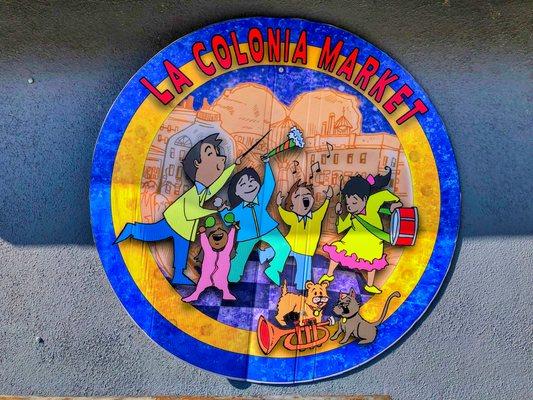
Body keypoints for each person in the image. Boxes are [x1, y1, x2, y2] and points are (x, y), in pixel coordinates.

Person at [114, 133, 240, 285]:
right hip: (174, 222)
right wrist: (214, 211)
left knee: (181, 251)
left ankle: (178, 275)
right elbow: (192, 211)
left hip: (184, 228)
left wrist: (233, 166)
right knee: (151, 234)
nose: (219, 158)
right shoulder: (194, 193)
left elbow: (218, 184)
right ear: (197, 164)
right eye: (210, 153)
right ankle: (132, 229)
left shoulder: (203, 190)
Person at [319, 167, 402, 294]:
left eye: (354, 203)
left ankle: (369, 285)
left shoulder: (373, 202)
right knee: (337, 251)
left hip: (373, 243)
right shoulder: (352, 215)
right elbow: (342, 227)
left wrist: (395, 204)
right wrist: (339, 214)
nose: (351, 207)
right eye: (348, 204)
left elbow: (386, 195)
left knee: (372, 263)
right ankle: (329, 274)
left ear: (364, 199)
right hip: (352, 242)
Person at [218, 158, 290, 286]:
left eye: (252, 181)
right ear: (236, 192)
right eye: (243, 184)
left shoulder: (261, 198)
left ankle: (273, 269)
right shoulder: (238, 209)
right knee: (239, 258)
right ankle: (231, 276)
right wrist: (221, 209)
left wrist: (267, 163)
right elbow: (229, 220)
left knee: (284, 247)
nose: (249, 185)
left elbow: (269, 184)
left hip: (268, 229)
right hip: (247, 235)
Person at [269, 180, 333, 290]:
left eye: (307, 195)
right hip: (291, 245)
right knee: (279, 250)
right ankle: (266, 254)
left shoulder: (317, 216)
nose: (303, 199)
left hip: (305, 250)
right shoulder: (293, 217)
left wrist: (327, 198)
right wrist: (279, 205)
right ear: (292, 206)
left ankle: (301, 285)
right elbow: (284, 215)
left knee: (304, 272)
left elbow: (323, 208)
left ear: (312, 199)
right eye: (298, 196)